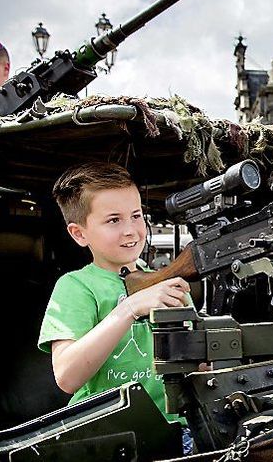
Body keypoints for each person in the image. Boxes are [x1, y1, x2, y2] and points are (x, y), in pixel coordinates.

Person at [38, 162, 191, 423]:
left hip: (179, 426)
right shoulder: (76, 286)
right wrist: (129, 309)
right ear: (79, 234)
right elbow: (67, 376)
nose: (130, 229)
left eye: (136, 215)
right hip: (108, 430)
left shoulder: (163, 283)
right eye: (113, 220)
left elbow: (194, 364)